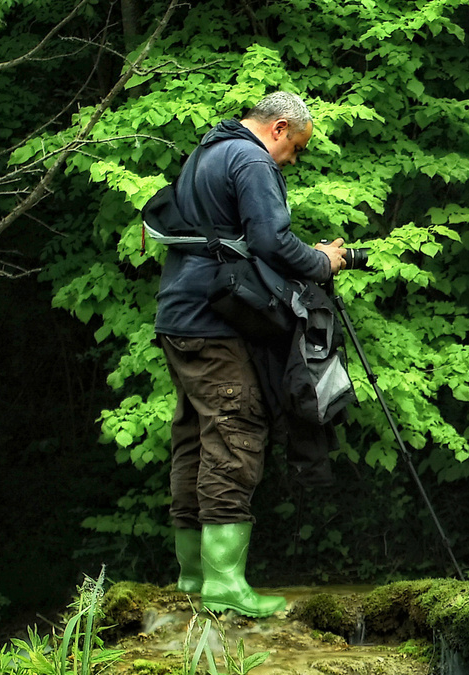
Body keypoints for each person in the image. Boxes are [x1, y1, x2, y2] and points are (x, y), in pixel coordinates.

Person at [154, 91, 348, 617]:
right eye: (297, 149)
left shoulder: (206, 152)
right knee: (235, 430)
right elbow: (271, 242)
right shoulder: (251, 158)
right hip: (214, 323)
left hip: (178, 316)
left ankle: (192, 577)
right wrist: (325, 260)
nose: (292, 160)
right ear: (280, 128)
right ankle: (224, 586)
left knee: (194, 435)